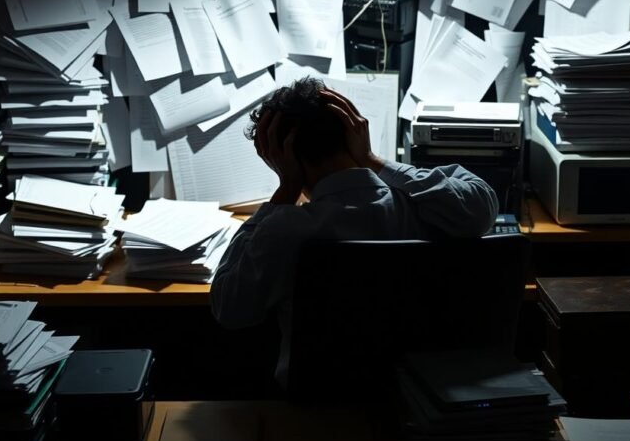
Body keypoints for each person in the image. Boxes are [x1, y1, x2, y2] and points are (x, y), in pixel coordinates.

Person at [209, 77, 499, 382]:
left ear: (284, 158)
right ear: (352, 133)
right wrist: (373, 160)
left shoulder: (284, 230)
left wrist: (285, 190)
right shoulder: (424, 209)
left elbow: (229, 308)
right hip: (419, 403)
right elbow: (482, 209)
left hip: (319, 409)